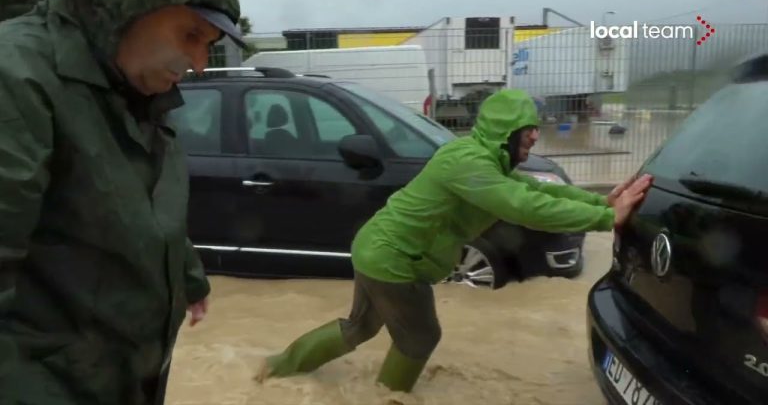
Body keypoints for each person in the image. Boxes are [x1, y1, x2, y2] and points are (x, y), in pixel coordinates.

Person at [256, 89, 652, 392]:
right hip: (395, 260)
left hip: (378, 250)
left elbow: (537, 190)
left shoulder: (482, 158)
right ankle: (389, 396)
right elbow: (523, 206)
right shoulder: (469, 164)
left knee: (360, 327)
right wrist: (605, 219)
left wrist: (599, 202)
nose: (535, 134)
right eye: (528, 129)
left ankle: (277, 368)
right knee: (420, 337)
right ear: (506, 131)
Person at [0, 0, 243, 403]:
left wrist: (187, 278)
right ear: (128, 6)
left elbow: (143, 202)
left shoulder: (136, 88)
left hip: (124, 376)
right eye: (190, 35)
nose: (200, 63)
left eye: (207, 44)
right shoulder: (16, 75)